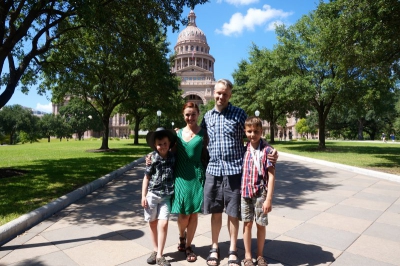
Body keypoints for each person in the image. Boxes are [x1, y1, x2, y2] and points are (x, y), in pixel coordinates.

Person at [200, 78, 278, 266]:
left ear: (230, 95)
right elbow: (197, 139)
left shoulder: (239, 114)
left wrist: (269, 149)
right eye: (218, 93)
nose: (221, 96)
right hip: (214, 170)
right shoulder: (207, 116)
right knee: (216, 211)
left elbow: (255, 133)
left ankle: (233, 249)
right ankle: (214, 247)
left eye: (225, 94)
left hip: (235, 170)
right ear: (214, 92)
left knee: (233, 213)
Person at [172, 102, 208, 263]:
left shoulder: (204, 134)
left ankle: (188, 246)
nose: (190, 117)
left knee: (193, 213)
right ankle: (181, 236)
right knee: (183, 213)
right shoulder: (177, 134)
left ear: (198, 114)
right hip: (180, 175)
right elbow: (166, 151)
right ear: (183, 115)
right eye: (187, 114)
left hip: (196, 175)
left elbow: (209, 152)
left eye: (193, 114)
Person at [240, 117, 276, 266]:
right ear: (245, 132)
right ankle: (248, 256)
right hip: (245, 193)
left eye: (256, 131)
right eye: (249, 131)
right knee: (247, 224)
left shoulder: (267, 150)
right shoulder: (243, 148)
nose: (252, 134)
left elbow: (272, 175)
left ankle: (260, 255)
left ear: (261, 132)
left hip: (261, 193)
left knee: (261, 224)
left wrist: (269, 199)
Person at [141, 127, 177, 266]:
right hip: (152, 195)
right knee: (153, 223)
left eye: (165, 143)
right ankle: (155, 250)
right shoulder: (152, 158)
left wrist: (177, 132)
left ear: (169, 144)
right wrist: (143, 196)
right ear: (155, 145)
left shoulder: (173, 157)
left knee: (164, 223)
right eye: (159, 144)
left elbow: (181, 146)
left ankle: (161, 255)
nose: (162, 146)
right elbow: (146, 177)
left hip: (166, 196)